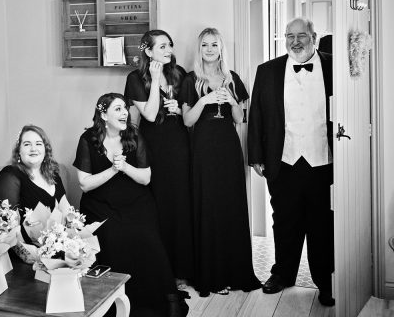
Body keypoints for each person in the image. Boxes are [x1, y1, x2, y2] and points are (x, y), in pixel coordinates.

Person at [74, 93, 188, 317]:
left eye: (125, 108)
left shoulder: (134, 135)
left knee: (146, 236)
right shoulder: (88, 139)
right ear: (103, 114)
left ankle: (166, 298)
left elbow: (145, 178)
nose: (125, 112)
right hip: (100, 204)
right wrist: (113, 169)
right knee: (113, 234)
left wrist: (125, 167)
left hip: (136, 201)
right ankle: (112, 299)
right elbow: (85, 184)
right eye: (118, 109)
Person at [247, 17, 335, 307]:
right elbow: (257, 115)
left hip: (324, 162)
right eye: (289, 36)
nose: (295, 41)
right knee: (284, 221)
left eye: (301, 35)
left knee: (322, 225)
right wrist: (256, 156)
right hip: (283, 161)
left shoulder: (335, 67)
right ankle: (282, 274)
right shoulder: (268, 70)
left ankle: (326, 282)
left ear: (314, 37)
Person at [181, 28, 261, 297]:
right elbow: (187, 120)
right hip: (203, 150)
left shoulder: (232, 77)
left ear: (221, 48)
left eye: (215, 44)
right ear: (199, 48)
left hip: (228, 149)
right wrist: (204, 99)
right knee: (208, 207)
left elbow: (239, 120)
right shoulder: (190, 79)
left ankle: (234, 272)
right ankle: (212, 275)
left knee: (230, 206)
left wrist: (231, 101)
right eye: (205, 45)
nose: (210, 49)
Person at [124, 30, 193, 286]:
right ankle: (162, 271)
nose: (168, 50)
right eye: (162, 46)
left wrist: (179, 107)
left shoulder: (179, 73)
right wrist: (154, 79)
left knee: (181, 205)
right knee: (159, 206)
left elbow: (188, 108)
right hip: (154, 148)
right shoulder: (135, 78)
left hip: (180, 145)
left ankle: (183, 269)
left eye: (170, 46)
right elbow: (150, 115)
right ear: (149, 51)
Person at [0, 125, 66, 259]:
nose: (33, 148)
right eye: (27, 144)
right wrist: (29, 255)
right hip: (24, 256)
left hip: (54, 252)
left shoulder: (53, 176)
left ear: (45, 149)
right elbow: (6, 228)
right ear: (18, 151)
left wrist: (74, 243)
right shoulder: (10, 176)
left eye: (38, 143)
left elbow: (67, 212)